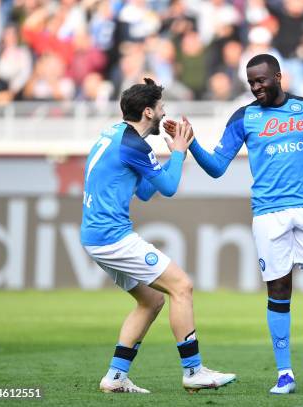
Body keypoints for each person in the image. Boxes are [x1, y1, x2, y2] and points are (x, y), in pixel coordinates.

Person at [167, 54, 303, 394]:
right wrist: (191, 144)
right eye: (251, 82)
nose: (256, 87)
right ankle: (285, 373)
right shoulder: (244, 117)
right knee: (279, 292)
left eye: (261, 80)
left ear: (278, 76)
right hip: (268, 215)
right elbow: (217, 167)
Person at [80, 78, 235, 394]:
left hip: (96, 236)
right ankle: (193, 371)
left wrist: (172, 156)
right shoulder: (134, 144)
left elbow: (148, 191)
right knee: (182, 286)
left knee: (150, 301)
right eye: (162, 108)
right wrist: (179, 151)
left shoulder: (117, 136)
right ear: (148, 111)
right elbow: (169, 188)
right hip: (112, 237)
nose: (165, 115)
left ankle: (115, 377)